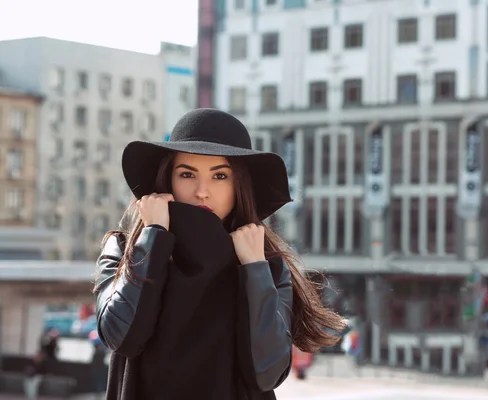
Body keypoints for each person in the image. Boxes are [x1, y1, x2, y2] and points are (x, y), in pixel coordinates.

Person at [93, 109, 346, 400]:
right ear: (167, 180)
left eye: (220, 176)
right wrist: (153, 238)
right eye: (187, 174)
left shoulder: (266, 265)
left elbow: (268, 372)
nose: (203, 191)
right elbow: (121, 336)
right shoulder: (125, 250)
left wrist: (254, 269)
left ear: (239, 186)